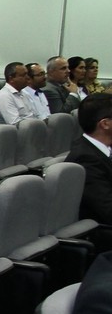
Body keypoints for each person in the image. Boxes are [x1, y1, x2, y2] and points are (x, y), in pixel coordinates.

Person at [65, 94, 112, 226]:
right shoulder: (85, 159)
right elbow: (108, 210)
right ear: (105, 124)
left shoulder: (104, 148)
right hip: (102, 232)